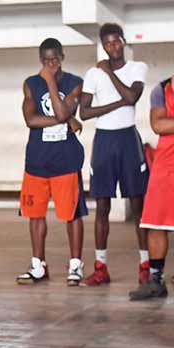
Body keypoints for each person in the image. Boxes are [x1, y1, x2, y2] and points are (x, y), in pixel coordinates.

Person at [80, 23, 149, 286]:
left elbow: (132, 96)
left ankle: (144, 267)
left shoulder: (137, 67)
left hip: (128, 139)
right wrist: (117, 103)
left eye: (117, 41)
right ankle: (101, 268)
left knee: (138, 205)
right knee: (102, 207)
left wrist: (109, 72)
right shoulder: (92, 74)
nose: (113, 47)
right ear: (103, 45)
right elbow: (84, 113)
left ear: (123, 41)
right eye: (108, 43)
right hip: (104, 142)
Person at [16, 38, 87, 286]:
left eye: (55, 59)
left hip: (66, 159)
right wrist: (68, 121)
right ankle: (38, 265)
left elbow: (59, 111)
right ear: (40, 60)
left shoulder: (74, 83)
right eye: (46, 61)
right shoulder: (30, 83)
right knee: (35, 214)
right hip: (37, 159)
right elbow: (30, 120)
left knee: (72, 214)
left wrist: (49, 82)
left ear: (62, 57)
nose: (51, 65)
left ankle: (75, 265)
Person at [129, 75, 174, 300]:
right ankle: (156, 280)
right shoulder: (161, 89)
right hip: (166, 162)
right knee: (155, 223)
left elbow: (167, 123)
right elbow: (158, 124)